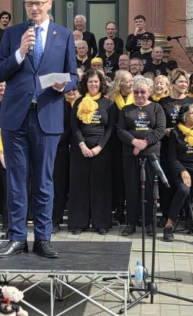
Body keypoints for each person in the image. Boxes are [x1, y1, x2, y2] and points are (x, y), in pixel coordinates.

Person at [0, 0, 78, 258]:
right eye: (29, 3)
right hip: (15, 118)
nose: (34, 8)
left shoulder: (63, 35)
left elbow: (74, 76)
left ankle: (43, 238)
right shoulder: (12, 34)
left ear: (49, 4)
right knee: (16, 181)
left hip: (47, 117)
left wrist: (65, 84)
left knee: (43, 182)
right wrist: (19, 52)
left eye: (39, 3)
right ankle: (17, 237)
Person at [68, 69, 116, 234]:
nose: (93, 84)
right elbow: (74, 126)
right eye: (90, 82)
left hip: (101, 150)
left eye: (96, 81)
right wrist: (82, 145)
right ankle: (78, 223)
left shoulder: (108, 104)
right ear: (85, 84)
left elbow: (110, 129)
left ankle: (100, 223)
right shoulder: (78, 102)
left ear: (101, 83)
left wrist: (99, 147)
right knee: (79, 186)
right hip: (80, 150)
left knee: (100, 186)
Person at [117, 76, 166, 236]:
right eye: (136, 92)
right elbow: (121, 130)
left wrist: (144, 143)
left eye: (143, 92)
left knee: (150, 189)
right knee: (131, 189)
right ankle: (131, 223)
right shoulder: (126, 109)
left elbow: (160, 129)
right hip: (130, 154)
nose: (139, 95)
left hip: (151, 154)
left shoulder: (157, 108)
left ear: (149, 92)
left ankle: (149, 223)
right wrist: (134, 142)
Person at [163, 103, 193, 246]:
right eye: (192, 113)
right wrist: (182, 170)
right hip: (182, 168)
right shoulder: (175, 133)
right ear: (184, 116)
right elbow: (172, 158)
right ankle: (169, 225)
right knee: (184, 190)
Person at [157, 70, 193, 226]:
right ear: (172, 84)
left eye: (186, 82)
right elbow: (158, 124)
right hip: (168, 147)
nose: (184, 84)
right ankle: (166, 215)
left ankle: (187, 216)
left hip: (186, 148)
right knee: (167, 182)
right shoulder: (163, 102)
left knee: (186, 182)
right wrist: (165, 131)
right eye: (180, 81)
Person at [108, 70, 134, 225]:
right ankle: (119, 211)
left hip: (132, 144)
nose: (131, 84)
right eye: (127, 81)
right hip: (116, 146)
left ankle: (132, 211)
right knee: (118, 179)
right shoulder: (111, 101)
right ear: (119, 83)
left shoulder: (137, 98)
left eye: (132, 80)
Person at [52, 88, 76, 234]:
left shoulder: (66, 106)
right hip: (43, 150)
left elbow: (68, 129)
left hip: (60, 150)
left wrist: (54, 141)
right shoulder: (42, 104)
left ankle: (56, 220)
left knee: (58, 188)